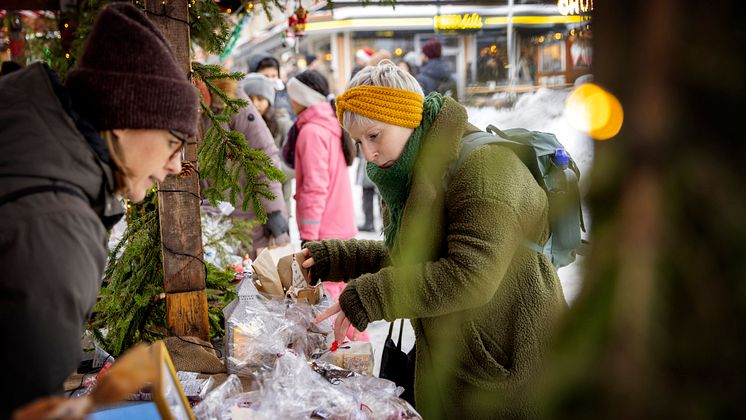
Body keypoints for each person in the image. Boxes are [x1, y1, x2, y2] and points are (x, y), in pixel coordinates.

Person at [307, 60, 568, 418]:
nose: (368, 154)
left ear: (407, 118)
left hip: (511, 368)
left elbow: (470, 275)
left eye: (374, 135)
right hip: (460, 363)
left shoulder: (485, 172)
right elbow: (416, 258)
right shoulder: (411, 173)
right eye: (358, 141)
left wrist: (374, 295)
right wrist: (336, 258)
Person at [0, 3, 199, 416]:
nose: (176, 165)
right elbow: (26, 405)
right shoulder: (57, 222)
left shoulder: (27, 145)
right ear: (124, 117)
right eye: (173, 141)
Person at [200, 68, 289, 258]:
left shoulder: (228, 96)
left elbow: (263, 154)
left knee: (250, 276)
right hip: (201, 219)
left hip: (243, 213)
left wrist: (274, 213)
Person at [243, 72, 295, 221]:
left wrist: (271, 171)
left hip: (279, 202)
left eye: (260, 99)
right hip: (247, 203)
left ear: (269, 100)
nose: (255, 104)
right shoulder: (238, 125)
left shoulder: (282, 123)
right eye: (249, 99)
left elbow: (296, 163)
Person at [248, 51, 295, 119]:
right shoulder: (248, 99)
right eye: (265, 76)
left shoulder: (286, 95)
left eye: (273, 76)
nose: (270, 80)